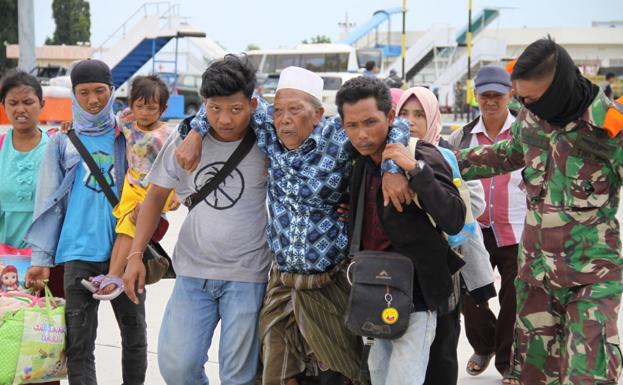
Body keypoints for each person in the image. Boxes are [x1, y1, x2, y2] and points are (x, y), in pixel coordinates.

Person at [172, 66, 411, 385]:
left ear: (317, 114)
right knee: (275, 371)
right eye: (279, 109)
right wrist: (195, 134)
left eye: (295, 110)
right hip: (282, 281)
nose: (283, 118)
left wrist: (394, 169)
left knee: (341, 371)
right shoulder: (268, 127)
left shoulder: (337, 135)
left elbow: (399, 127)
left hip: (329, 283)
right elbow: (220, 102)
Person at [455, 37, 623, 385]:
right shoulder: (532, 118)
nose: (524, 105)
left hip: (591, 278)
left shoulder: (610, 129)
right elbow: (508, 153)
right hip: (536, 277)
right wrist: (444, 163)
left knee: (588, 375)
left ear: (558, 88)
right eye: (521, 97)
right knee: (533, 375)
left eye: (531, 98)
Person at [124, 54, 271, 385]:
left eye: (236, 109)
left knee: (239, 377)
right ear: (204, 104)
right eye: (215, 109)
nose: (225, 119)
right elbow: (155, 197)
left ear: (253, 103)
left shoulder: (268, 141)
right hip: (193, 270)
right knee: (177, 367)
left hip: (248, 275)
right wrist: (136, 254)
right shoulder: (185, 138)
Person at [337, 76, 466, 385]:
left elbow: (454, 218)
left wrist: (414, 171)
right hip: (374, 291)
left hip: (416, 297)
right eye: (352, 125)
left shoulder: (420, 154)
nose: (362, 134)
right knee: (380, 376)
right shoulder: (359, 160)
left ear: (391, 118)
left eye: (370, 122)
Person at [25, 59, 147, 385]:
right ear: (74, 95)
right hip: (77, 254)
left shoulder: (130, 136)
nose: (93, 100)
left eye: (100, 91)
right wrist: (41, 259)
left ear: (111, 91)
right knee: (79, 346)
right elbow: (48, 202)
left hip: (125, 254)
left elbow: (151, 184)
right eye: (84, 93)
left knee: (135, 339)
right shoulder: (62, 141)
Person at [396, 86, 496, 385]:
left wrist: (428, 188)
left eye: (418, 114)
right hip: (402, 271)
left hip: (444, 267)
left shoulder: (447, 155)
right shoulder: (388, 158)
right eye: (403, 114)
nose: (410, 121)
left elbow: (475, 205)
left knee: (442, 346)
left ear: (432, 118)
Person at [448, 65, 527, 384]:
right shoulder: (462, 136)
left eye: (498, 94)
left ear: (511, 94)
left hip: (517, 228)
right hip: (474, 231)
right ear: (476, 96)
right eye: (485, 95)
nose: (491, 101)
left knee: (514, 298)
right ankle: (484, 345)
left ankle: (508, 363)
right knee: (470, 294)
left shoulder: (525, 131)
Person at [79, 75, 178, 300]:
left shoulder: (168, 135)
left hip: (152, 192)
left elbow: (179, 169)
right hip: (130, 190)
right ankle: (111, 275)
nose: (144, 113)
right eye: (139, 106)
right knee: (122, 232)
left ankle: (114, 277)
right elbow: (112, 117)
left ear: (163, 108)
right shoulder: (127, 124)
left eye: (152, 108)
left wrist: (176, 195)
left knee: (129, 232)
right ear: (131, 105)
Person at [0, 70, 64, 385]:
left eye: (28, 101)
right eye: (13, 103)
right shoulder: (0, 146)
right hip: (5, 265)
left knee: (43, 345)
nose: (21, 108)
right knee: (5, 344)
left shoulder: (58, 145)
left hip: (47, 263)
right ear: (4, 106)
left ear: (42, 103)